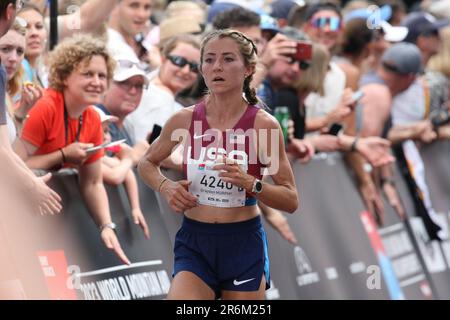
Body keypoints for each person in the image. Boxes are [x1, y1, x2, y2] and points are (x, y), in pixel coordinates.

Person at [138, 29, 299, 300]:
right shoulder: (184, 120)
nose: (217, 67)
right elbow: (147, 163)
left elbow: (290, 199)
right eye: (210, 60)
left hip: (242, 242)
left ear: (248, 68)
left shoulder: (263, 126)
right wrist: (166, 187)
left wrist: (251, 183)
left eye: (227, 59)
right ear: (202, 68)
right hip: (195, 240)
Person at [13, 34, 130, 265]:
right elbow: (13, 164)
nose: (97, 81)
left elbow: (92, 183)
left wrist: (106, 226)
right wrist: (64, 155)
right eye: (88, 74)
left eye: (102, 76)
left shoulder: (93, 118)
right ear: (65, 76)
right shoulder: (45, 107)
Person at [0, 0, 61, 216]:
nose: (13, 58)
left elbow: (8, 146)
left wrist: (22, 111)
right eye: (5, 49)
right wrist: (31, 184)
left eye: (19, 51)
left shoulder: (7, 87)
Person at [94, 106, 150, 239]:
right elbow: (115, 177)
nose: (106, 137)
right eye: (99, 131)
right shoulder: (85, 157)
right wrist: (130, 158)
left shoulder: (103, 156)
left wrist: (135, 208)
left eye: (107, 131)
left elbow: (128, 174)